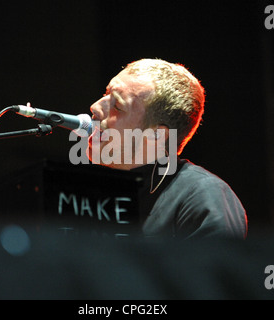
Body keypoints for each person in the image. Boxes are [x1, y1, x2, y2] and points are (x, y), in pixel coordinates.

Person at [86, 58, 247, 240]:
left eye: (118, 106)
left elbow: (213, 268)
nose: (96, 107)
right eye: (106, 93)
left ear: (157, 135)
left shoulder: (202, 195)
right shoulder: (91, 190)